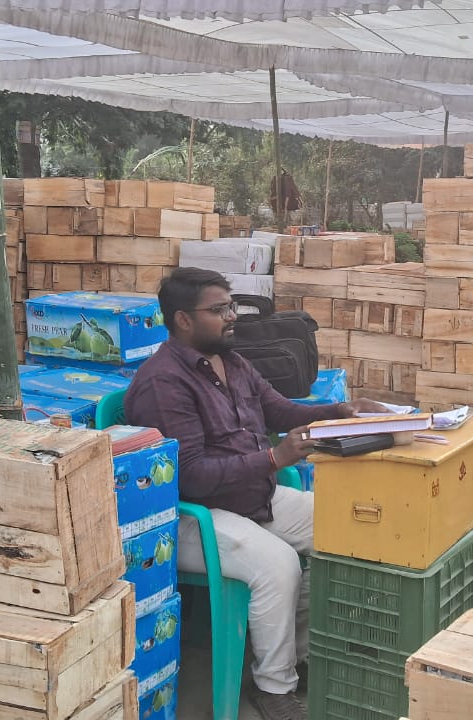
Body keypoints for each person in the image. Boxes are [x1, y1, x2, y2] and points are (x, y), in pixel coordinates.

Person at [123, 267, 388, 720]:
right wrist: (273, 459)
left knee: (342, 523)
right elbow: (190, 477)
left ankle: (298, 657)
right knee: (278, 564)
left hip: (251, 496)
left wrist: (341, 410)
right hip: (193, 516)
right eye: (220, 309)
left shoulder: (233, 361)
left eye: (232, 306)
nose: (232, 317)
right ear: (183, 320)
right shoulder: (163, 383)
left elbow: (279, 410)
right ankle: (273, 689)